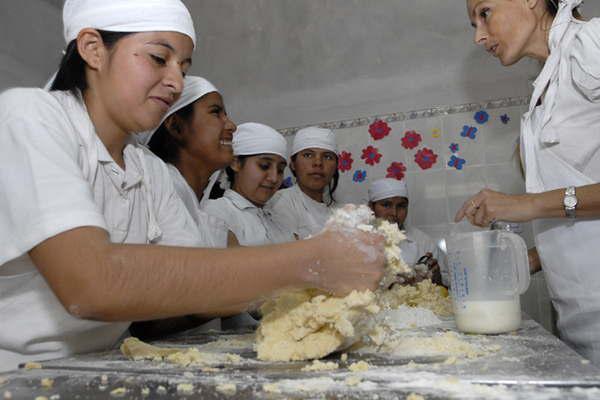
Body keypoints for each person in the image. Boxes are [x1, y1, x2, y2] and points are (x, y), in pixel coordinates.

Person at [0, 0, 385, 372]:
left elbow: (196, 289)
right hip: (14, 374)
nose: (175, 81)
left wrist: (320, 277)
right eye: (158, 58)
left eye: (183, 67)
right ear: (93, 49)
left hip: (97, 369)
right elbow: (90, 285)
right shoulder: (30, 116)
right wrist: (312, 262)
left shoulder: (148, 169)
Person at [460, 0, 600, 364]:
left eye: (484, 13)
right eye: (473, 23)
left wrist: (525, 205)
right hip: (580, 315)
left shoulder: (593, 43)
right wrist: (532, 258)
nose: (479, 36)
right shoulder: (546, 84)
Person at [145, 75, 236, 248]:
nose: (231, 125)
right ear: (176, 126)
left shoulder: (192, 202)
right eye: (216, 112)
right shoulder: (164, 190)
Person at [203, 122, 296, 246]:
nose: (274, 178)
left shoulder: (279, 220)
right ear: (235, 163)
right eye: (264, 166)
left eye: (280, 170)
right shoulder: (215, 213)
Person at [368, 178, 445, 286]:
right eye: (386, 205)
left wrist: (436, 278)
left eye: (401, 206)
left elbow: (445, 288)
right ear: (371, 207)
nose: (394, 213)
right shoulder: (356, 241)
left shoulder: (423, 242)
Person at [267, 126, 339, 239]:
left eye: (327, 157)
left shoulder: (337, 213)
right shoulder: (280, 202)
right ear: (293, 165)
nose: (318, 163)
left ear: (335, 167)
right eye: (308, 155)